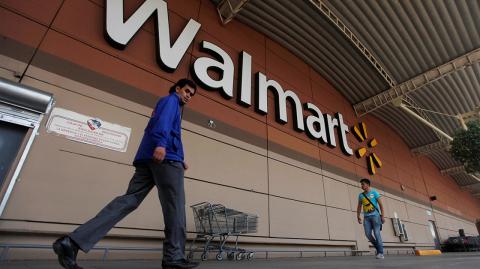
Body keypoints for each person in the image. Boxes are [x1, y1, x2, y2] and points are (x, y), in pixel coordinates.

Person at [52, 79, 199, 269]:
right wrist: (163, 145)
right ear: (177, 88)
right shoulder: (171, 101)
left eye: (191, 95)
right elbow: (162, 126)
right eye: (187, 91)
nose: (188, 96)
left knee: (128, 200)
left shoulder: (167, 104)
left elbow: (169, 132)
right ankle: (174, 257)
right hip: (166, 160)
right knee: (175, 208)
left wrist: (181, 156)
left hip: (150, 159)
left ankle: (71, 243)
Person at [357, 178, 385, 259]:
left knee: (377, 233)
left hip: (375, 216)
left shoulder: (374, 193)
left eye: (363, 184)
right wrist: (358, 216)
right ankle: (379, 248)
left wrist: (382, 216)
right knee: (368, 234)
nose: (361, 186)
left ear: (368, 184)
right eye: (361, 184)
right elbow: (359, 206)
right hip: (366, 218)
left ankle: (381, 253)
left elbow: (381, 205)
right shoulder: (361, 195)